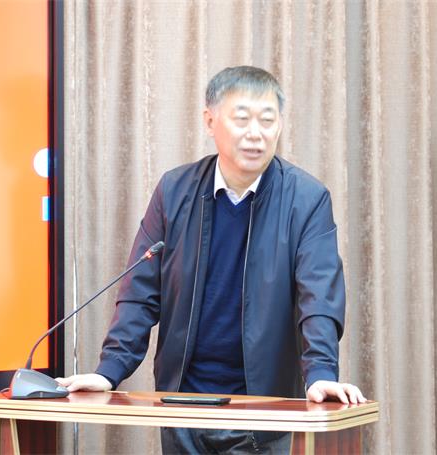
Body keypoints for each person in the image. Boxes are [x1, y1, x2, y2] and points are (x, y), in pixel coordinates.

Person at [57, 66, 365, 454]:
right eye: (242, 119)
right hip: (182, 406)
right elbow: (140, 292)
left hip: (262, 411)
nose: (255, 133)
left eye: (267, 120)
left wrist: (320, 372)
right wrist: (109, 371)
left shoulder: (306, 199)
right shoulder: (175, 191)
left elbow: (318, 297)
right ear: (210, 121)